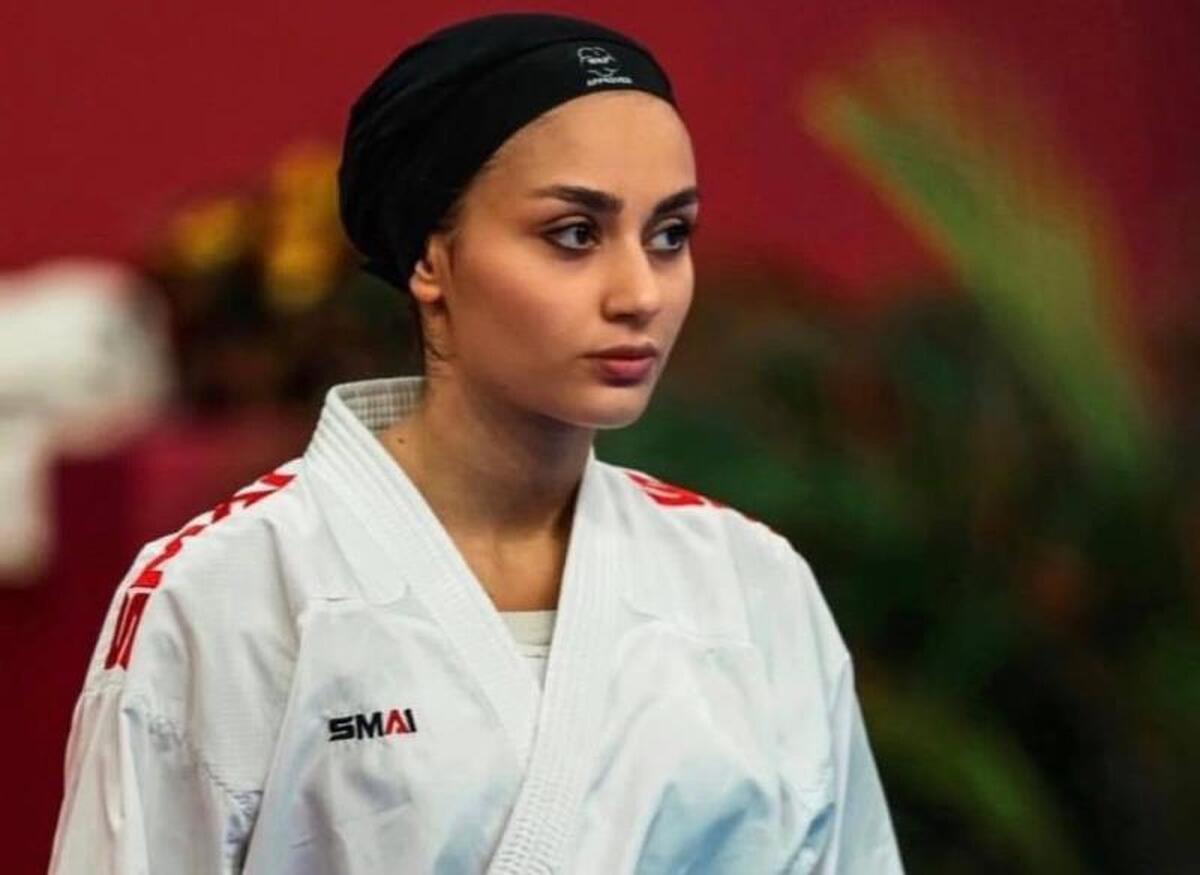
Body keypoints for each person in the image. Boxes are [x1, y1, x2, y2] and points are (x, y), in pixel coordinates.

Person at [49, 12, 904, 874]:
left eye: (670, 235)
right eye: (574, 234)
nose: (641, 292)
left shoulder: (752, 586)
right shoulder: (230, 591)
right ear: (432, 259)